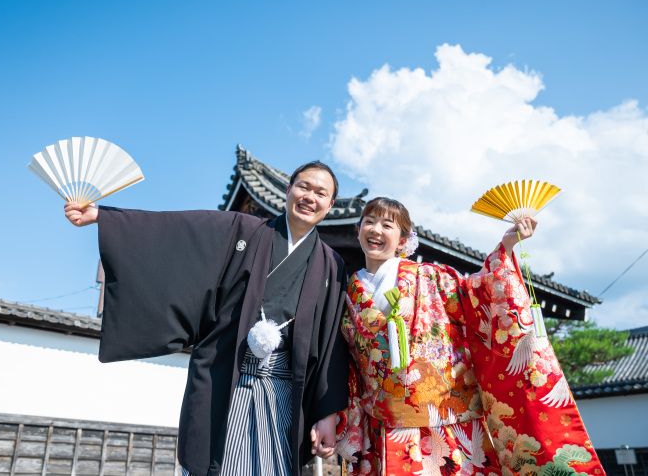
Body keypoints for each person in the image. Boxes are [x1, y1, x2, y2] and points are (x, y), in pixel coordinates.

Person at [65, 161, 349, 476]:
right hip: (227, 376)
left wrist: (328, 413)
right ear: (289, 190)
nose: (310, 196)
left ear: (330, 205)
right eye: (304, 187)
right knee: (218, 465)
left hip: (282, 390)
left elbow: (331, 344)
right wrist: (104, 218)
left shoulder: (331, 265)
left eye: (321, 193)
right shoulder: (245, 230)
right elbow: (179, 230)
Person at [336, 197, 605, 476]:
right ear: (358, 230)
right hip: (383, 424)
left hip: (449, 421)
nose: (375, 229)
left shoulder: (431, 276)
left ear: (404, 241)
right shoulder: (347, 297)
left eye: (387, 224)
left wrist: (507, 247)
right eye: (369, 222)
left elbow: (479, 297)